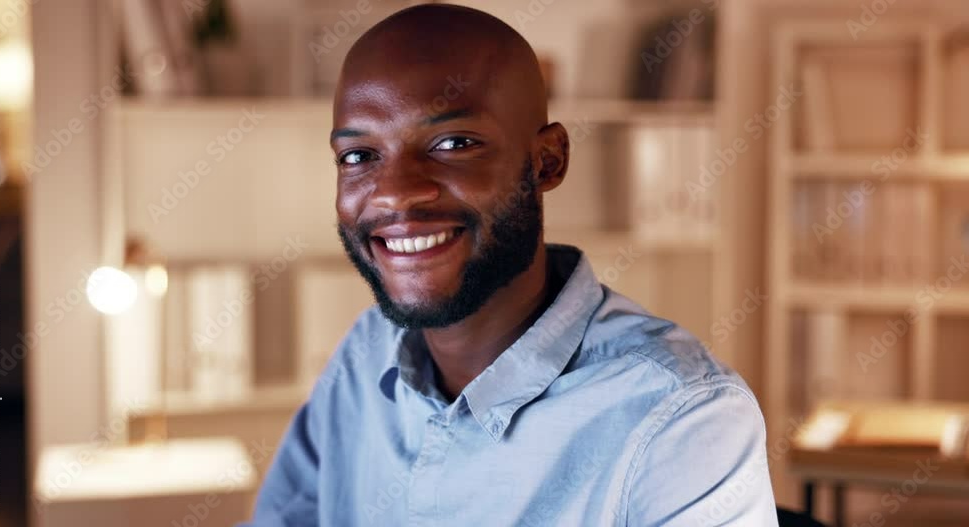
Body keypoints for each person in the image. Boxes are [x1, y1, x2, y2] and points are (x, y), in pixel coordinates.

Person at [245, 4, 777, 526]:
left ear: (549, 160)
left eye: (454, 143)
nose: (395, 195)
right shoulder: (365, 356)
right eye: (359, 156)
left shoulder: (684, 417)